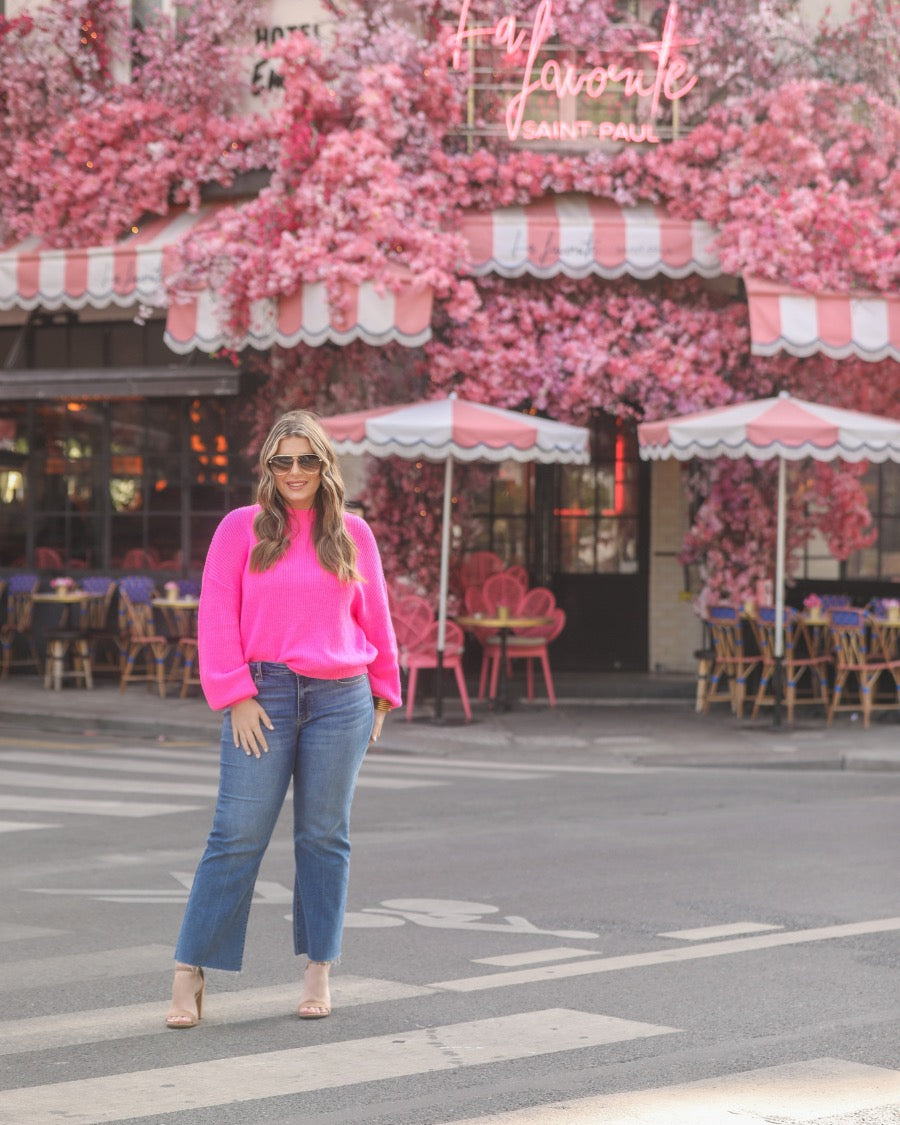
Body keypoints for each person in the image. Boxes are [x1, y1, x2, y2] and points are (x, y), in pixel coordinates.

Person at [166, 410, 401, 1028]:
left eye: (307, 460)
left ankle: (319, 968)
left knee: (324, 836)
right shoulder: (239, 528)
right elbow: (217, 614)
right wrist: (235, 694)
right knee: (237, 834)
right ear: (268, 467)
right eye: (283, 460)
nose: (295, 471)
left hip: (341, 698)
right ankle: (190, 970)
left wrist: (382, 693)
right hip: (262, 695)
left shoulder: (352, 533)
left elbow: (376, 618)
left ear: (325, 466)